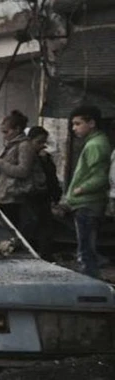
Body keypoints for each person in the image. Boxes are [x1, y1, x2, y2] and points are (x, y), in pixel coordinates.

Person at [61, 105, 111, 278]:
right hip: (87, 202)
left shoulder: (96, 145)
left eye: (77, 123)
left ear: (92, 123)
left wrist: (79, 190)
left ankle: (91, 285)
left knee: (85, 251)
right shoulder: (96, 142)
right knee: (87, 247)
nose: (74, 128)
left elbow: (100, 177)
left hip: (87, 203)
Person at [0, 110, 36, 229]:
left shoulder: (24, 145)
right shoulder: (11, 145)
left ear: (17, 129)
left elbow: (23, 171)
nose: (4, 136)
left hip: (13, 196)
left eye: (6, 132)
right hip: (3, 194)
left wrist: (0, 163)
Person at [26, 126, 60, 260]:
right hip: (30, 197)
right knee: (31, 227)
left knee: (45, 228)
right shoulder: (27, 158)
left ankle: (45, 255)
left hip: (43, 197)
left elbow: (51, 178)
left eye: (43, 142)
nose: (42, 146)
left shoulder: (45, 158)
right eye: (38, 142)